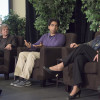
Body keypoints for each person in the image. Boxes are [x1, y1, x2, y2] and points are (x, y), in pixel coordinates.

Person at [10, 18, 66, 87]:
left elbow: (56, 46)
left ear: (58, 27)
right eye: (52, 25)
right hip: (42, 53)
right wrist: (30, 46)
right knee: (22, 54)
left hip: (49, 55)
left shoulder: (61, 36)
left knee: (31, 55)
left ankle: (25, 79)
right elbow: (37, 44)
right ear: (49, 27)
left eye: (56, 25)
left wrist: (43, 46)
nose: (54, 27)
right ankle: (19, 77)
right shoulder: (45, 36)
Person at [44, 32, 100, 99]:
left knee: (83, 47)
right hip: (92, 56)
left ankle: (61, 65)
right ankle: (76, 87)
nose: (99, 26)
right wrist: (77, 45)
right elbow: (88, 44)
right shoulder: (98, 37)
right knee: (78, 58)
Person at [0, 24, 17, 95]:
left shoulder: (12, 37)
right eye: (4, 29)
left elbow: (14, 45)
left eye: (7, 29)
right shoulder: (0, 38)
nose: (6, 31)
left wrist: (10, 45)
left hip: (6, 53)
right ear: (1, 31)